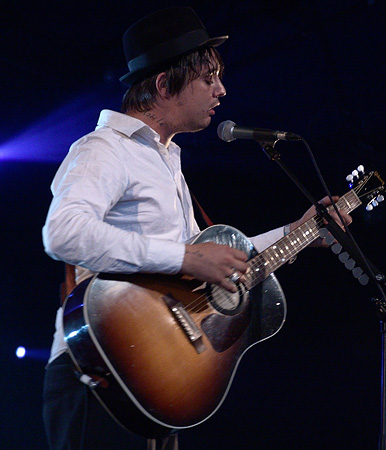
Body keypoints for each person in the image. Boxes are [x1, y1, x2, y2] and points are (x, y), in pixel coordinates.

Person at [41, 6, 350, 450]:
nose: (221, 90)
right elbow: (63, 233)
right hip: (99, 374)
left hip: (156, 380)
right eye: (208, 78)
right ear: (165, 85)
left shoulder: (166, 161)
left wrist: (299, 231)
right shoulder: (104, 149)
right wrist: (186, 256)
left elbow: (214, 264)